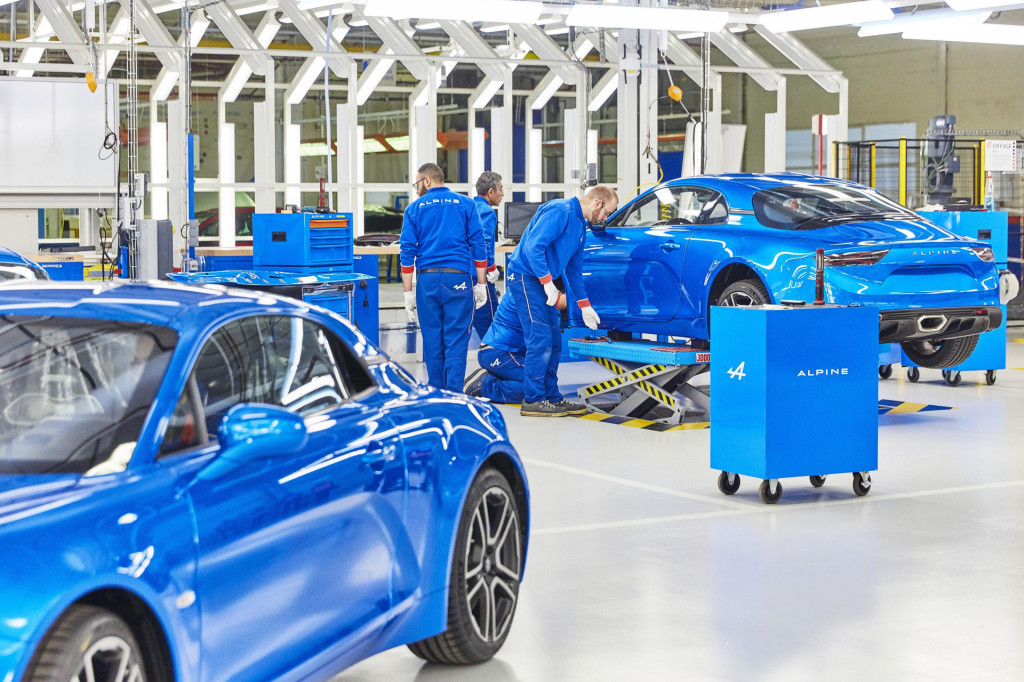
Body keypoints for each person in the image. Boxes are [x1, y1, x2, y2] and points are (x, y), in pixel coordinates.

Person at [504, 185, 618, 417]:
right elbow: (533, 246)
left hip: (541, 280)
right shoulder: (560, 210)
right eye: (607, 212)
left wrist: (585, 306)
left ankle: (552, 398)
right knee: (540, 338)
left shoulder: (580, 227)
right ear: (598, 203)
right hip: (525, 277)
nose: (606, 218)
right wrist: (547, 282)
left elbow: (574, 271)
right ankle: (533, 400)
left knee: (555, 339)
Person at [400, 162, 489, 392]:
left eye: (417, 183)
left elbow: (407, 253)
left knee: (432, 340)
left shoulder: (414, 208)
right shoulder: (466, 204)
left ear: (427, 181)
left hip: (427, 281)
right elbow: (479, 246)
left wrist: (408, 292)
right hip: (458, 280)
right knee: (457, 340)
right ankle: (455, 396)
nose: (416, 188)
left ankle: (437, 393)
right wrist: (481, 284)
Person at [463, 284, 584, 414]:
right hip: (497, 352)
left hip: (512, 353)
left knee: (544, 386)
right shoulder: (524, 288)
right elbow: (560, 301)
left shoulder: (528, 284)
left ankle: (500, 378)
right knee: (537, 388)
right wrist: (591, 298)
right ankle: (485, 385)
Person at [471, 171, 504, 342]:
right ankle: (497, 365)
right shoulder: (487, 212)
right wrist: (491, 269)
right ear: (490, 192)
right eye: (500, 188)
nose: (503, 193)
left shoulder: (468, 207)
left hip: (463, 276)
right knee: (493, 332)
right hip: (479, 278)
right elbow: (481, 244)